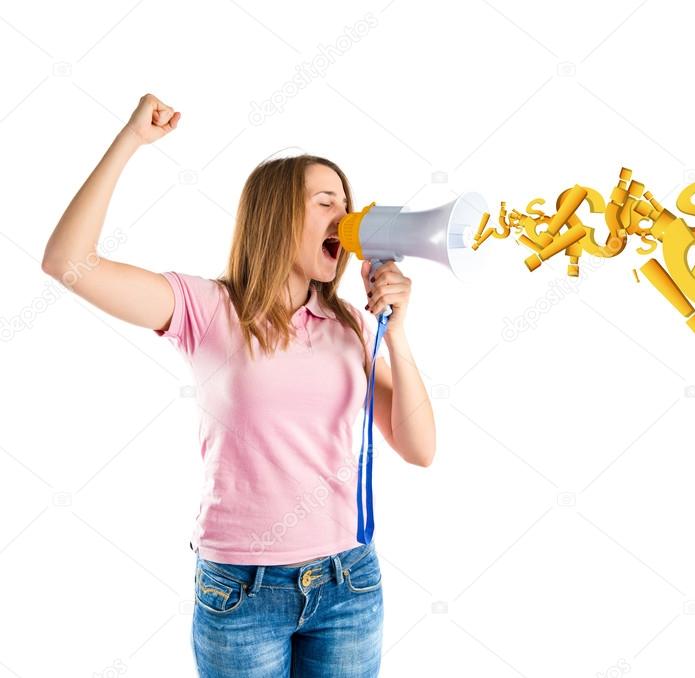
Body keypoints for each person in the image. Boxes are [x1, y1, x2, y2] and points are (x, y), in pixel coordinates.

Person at [42, 93, 436, 677]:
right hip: (242, 592)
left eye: (348, 204)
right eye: (327, 202)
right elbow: (67, 261)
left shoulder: (352, 325)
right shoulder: (207, 309)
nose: (348, 217)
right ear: (278, 216)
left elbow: (421, 449)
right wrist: (130, 141)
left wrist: (397, 337)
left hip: (347, 583)